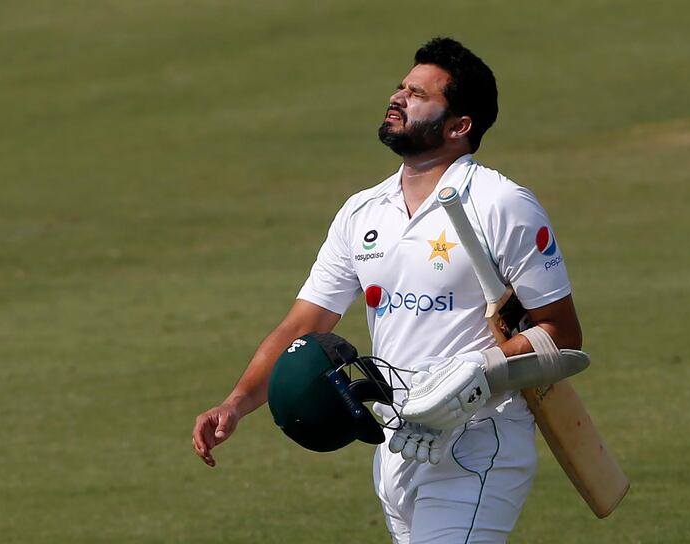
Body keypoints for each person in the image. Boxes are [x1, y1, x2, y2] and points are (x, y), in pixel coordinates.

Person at [192, 37, 582, 543]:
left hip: (479, 440)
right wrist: (236, 403)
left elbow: (563, 333)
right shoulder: (362, 212)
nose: (398, 97)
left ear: (459, 126)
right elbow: (302, 325)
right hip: (397, 446)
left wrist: (475, 374)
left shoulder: (501, 204)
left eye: (419, 94)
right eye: (401, 86)